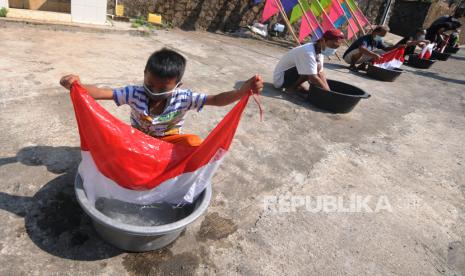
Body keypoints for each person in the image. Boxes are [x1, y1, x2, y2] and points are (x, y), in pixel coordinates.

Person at [60, 48, 264, 147]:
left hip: (169, 141)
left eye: (163, 87)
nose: (154, 91)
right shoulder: (135, 93)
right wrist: (77, 85)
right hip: (137, 138)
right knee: (108, 143)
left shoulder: (184, 98)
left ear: (177, 86)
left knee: (194, 144)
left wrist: (241, 91)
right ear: (144, 75)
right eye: (150, 84)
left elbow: (216, 100)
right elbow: (102, 92)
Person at [273, 29, 345, 93]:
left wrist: (328, 90)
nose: (333, 49)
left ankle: (297, 86)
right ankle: (291, 88)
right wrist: (329, 93)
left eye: (336, 47)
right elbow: (313, 78)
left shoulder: (320, 50)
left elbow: (321, 73)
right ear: (323, 40)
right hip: (280, 79)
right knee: (314, 68)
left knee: (316, 68)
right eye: (333, 46)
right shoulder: (308, 51)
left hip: (289, 75)